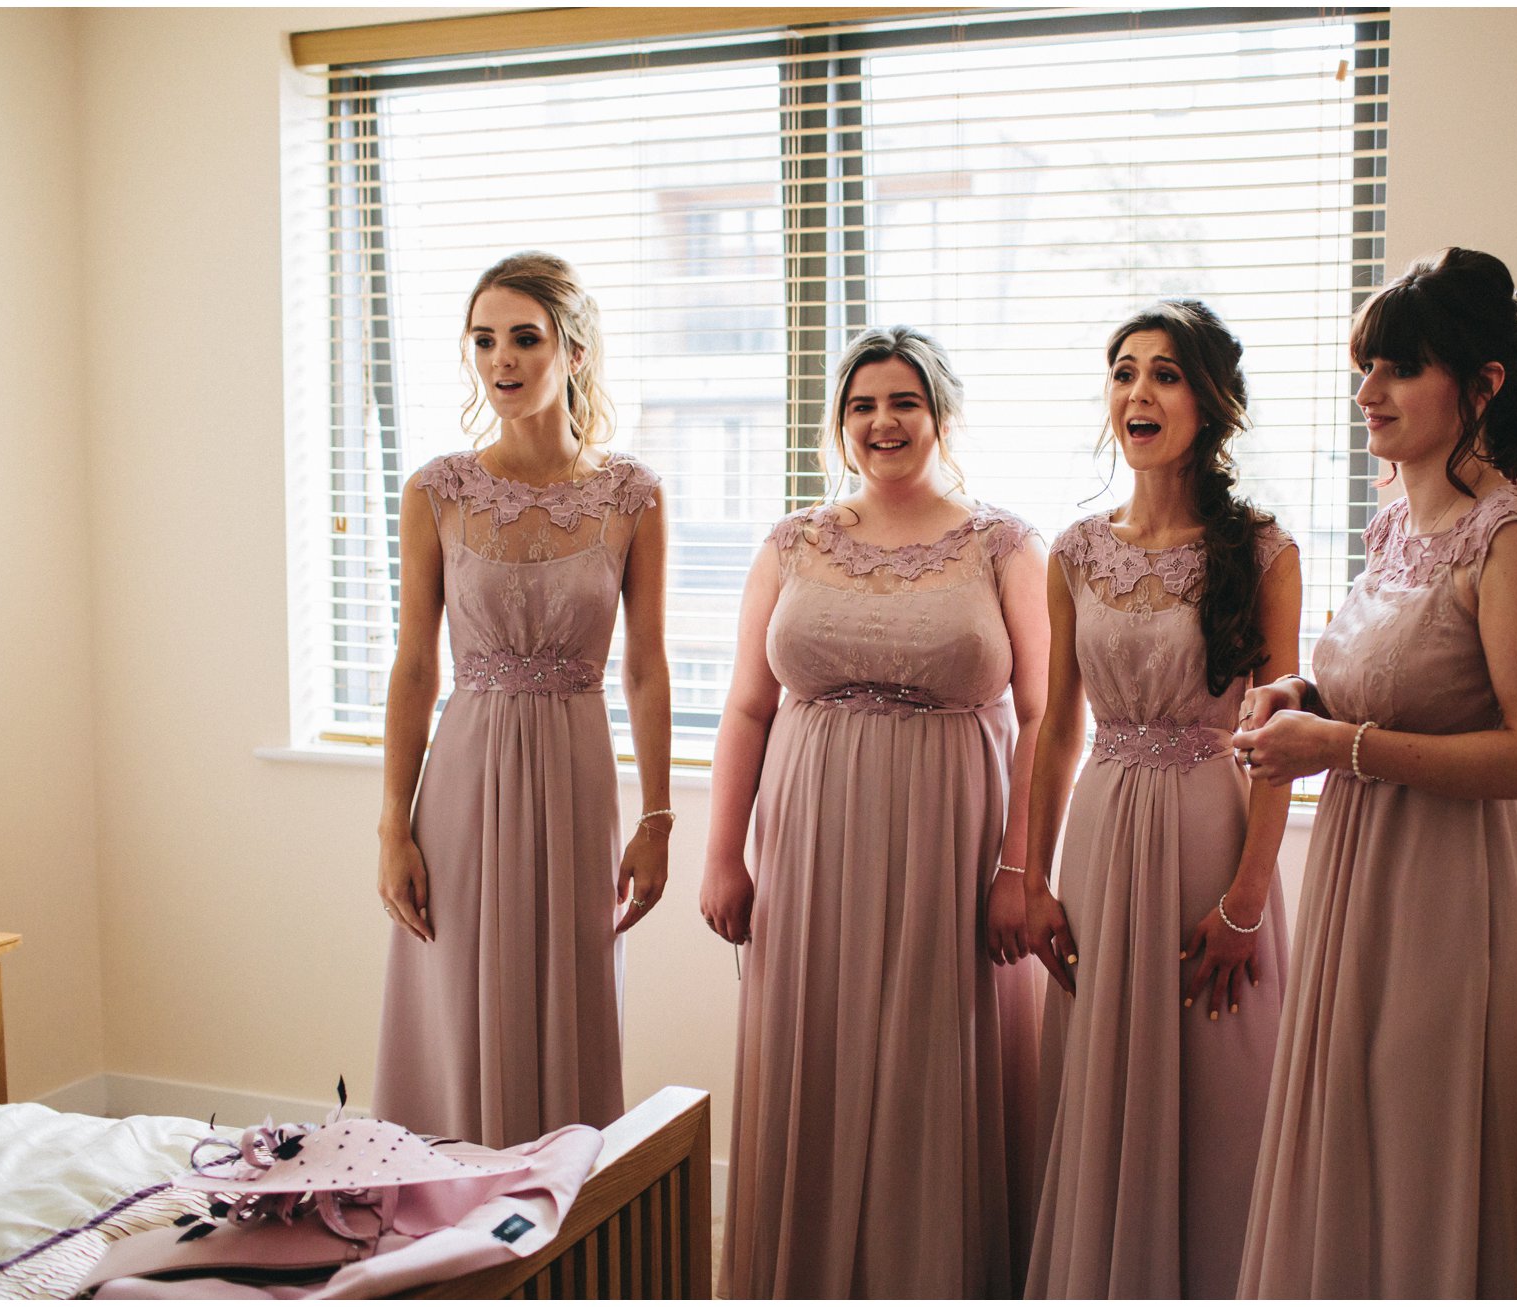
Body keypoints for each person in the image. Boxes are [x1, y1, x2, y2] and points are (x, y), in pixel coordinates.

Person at [1233, 247, 1517, 1297]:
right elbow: (1386, 681)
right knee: (1352, 1132)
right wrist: (1305, 696)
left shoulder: (1515, 542)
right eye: (1364, 365)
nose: (1366, 391)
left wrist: (1333, 745)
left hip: (1440, 890)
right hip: (1357, 867)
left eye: (1397, 367)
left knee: (1418, 1137)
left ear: (1480, 385)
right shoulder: (1393, 522)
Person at [702, 326, 1049, 1297]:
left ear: (940, 414)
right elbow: (746, 706)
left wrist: (1020, 868)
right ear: (838, 424)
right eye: (861, 404)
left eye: (901, 401)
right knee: (813, 1057)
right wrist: (723, 853)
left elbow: (1048, 715)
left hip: (952, 838)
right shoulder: (792, 542)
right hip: (809, 839)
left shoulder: (1004, 543)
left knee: (927, 1070)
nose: (881, 421)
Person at [1011, 300, 1300, 1297]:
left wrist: (1246, 900)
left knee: (1222, 1093)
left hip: (1206, 842)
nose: (1138, 390)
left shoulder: (1262, 550)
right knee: (1103, 1091)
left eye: (1166, 373)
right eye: (1124, 370)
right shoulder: (1074, 550)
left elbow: (1273, 743)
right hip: (1098, 838)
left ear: (1209, 402)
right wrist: (1031, 879)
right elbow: (1053, 727)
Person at [371, 251, 671, 1147]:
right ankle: (446, 1230)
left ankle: (561, 1235)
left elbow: (647, 669)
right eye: (485, 340)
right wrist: (394, 823)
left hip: (577, 775)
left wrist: (657, 817)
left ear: (572, 352)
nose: (502, 360)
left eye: (525, 339)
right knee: (458, 993)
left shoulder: (632, 496)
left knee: (570, 990)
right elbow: (415, 668)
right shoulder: (436, 491)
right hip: (462, 778)